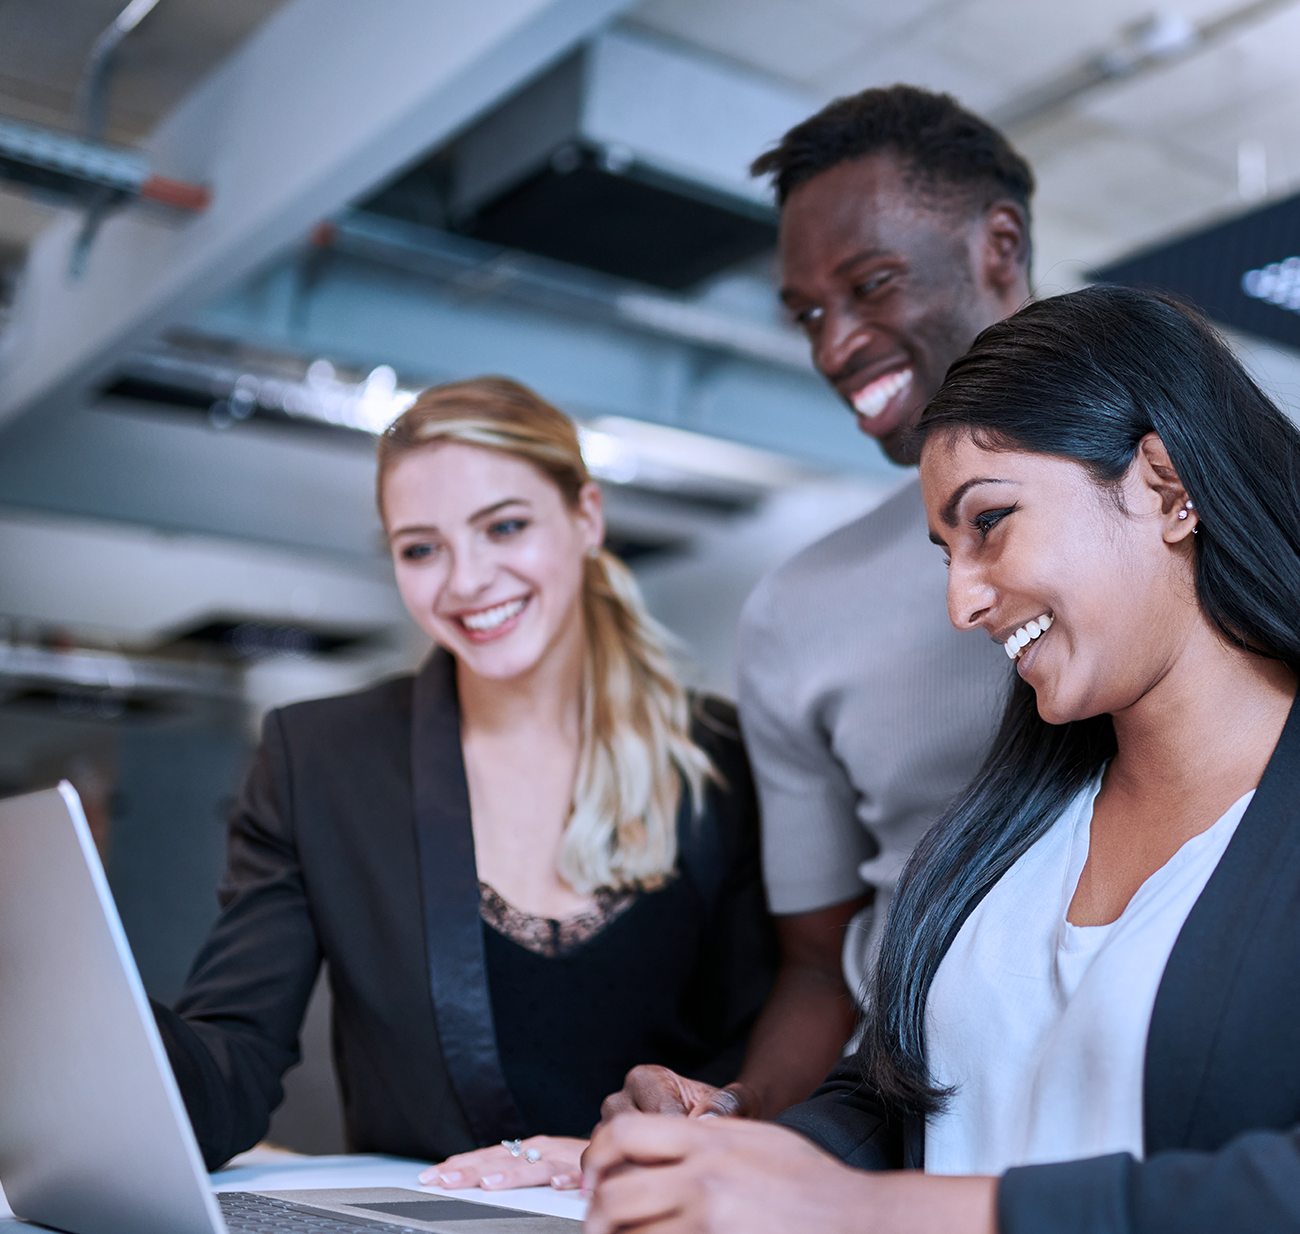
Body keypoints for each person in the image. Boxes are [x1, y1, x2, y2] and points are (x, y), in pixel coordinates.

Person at [583, 284, 1300, 1233]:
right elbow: (895, 1105)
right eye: (944, 550)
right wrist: (734, 1147)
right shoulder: (1016, 820)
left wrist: (886, 1215)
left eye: (989, 521)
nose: (962, 601)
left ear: (1165, 488)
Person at [151, 376, 777, 1189]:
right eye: (421, 548)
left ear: (586, 516)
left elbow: (764, 1051)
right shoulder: (318, 760)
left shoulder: (723, 757)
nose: (466, 581)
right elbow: (231, 1058)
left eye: (504, 527)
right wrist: (84, 1028)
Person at [604, 86, 1033, 1120]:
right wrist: (740, 1120)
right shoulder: (800, 608)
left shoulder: (1216, 498)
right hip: (902, 1127)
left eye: (871, 284)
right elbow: (823, 965)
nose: (832, 347)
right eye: (806, 313)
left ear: (998, 248)